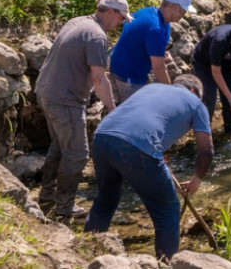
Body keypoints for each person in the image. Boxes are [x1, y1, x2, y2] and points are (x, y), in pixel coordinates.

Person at [84, 76, 213, 260]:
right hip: (137, 147)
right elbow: (206, 152)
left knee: (105, 202)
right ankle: (165, 263)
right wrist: (196, 181)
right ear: (193, 91)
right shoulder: (196, 103)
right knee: (168, 211)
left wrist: (166, 180)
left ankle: (86, 252)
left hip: (102, 137)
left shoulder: (151, 89)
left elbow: (145, 129)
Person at [35, 0, 131, 220]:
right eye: (121, 19)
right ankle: (64, 207)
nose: (120, 24)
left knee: (60, 147)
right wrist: (113, 109)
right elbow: (99, 77)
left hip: (46, 91)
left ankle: (47, 196)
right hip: (65, 99)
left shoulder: (77, 22)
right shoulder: (97, 36)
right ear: (110, 12)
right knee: (78, 154)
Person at [109, 0, 196, 104]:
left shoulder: (151, 13)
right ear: (174, 7)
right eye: (183, 11)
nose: (184, 15)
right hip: (127, 76)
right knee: (134, 112)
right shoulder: (155, 29)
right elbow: (158, 68)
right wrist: (171, 93)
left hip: (126, 66)